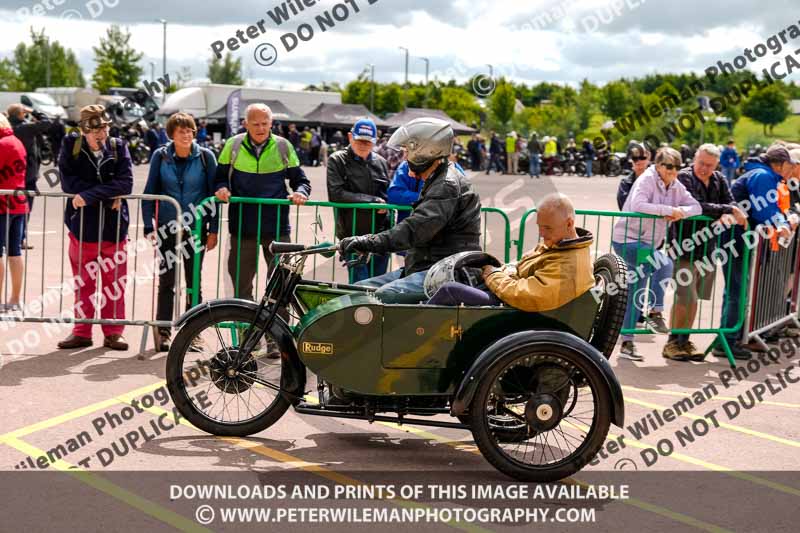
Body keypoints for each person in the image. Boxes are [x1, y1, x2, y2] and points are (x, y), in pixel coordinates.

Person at [339, 117, 482, 303]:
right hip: (430, 268)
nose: (405, 157)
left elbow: (414, 230)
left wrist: (368, 242)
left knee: (378, 299)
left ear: (425, 151)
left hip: (448, 273)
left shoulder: (446, 185)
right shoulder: (437, 178)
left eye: (408, 151)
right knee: (357, 292)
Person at [428, 194, 594, 310]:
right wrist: (500, 270)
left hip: (514, 308)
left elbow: (527, 295)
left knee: (450, 290)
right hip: (510, 297)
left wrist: (494, 275)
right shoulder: (559, 245)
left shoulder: (570, 262)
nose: (542, 234)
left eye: (548, 228)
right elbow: (522, 265)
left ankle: (412, 336)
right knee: (466, 273)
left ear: (569, 223)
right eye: (540, 227)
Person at [612, 147, 701, 361]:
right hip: (628, 241)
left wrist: (681, 213)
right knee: (664, 264)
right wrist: (668, 211)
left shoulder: (675, 186)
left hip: (648, 244)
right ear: (659, 166)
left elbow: (696, 207)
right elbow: (638, 204)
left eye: (677, 167)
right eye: (668, 166)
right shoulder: (647, 179)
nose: (673, 171)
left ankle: (626, 342)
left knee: (636, 291)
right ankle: (655, 312)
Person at [214, 103, 310, 301]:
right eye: (255, 124)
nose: (260, 128)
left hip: (277, 227)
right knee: (241, 288)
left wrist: (301, 192)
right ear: (245, 124)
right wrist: (221, 187)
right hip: (242, 226)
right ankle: (245, 331)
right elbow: (219, 177)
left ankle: (277, 331)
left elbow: (300, 180)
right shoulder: (232, 145)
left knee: (281, 287)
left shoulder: (284, 146)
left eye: (265, 124)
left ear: (271, 123)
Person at [56, 105, 133, 351]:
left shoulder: (119, 146)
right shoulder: (71, 145)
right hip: (82, 227)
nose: (101, 133)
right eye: (95, 129)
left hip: (114, 228)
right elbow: (68, 182)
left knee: (114, 284)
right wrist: (109, 192)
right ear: (83, 130)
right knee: (84, 283)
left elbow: (126, 183)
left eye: (105, 127)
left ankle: (113, 332)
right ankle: (81, 331)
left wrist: (89, 195)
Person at [142, 112, 220, 352]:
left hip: (196, 228)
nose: (186, 135)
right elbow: (149, 191)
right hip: (168, 227)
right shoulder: (160, 156)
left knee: (193, 283)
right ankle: (163, 331)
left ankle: (192, 333)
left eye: (190, 130)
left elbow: (214, 196)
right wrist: (148, 225)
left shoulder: (206, 157)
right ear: (171, 134)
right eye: (181, 131)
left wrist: (213, 229)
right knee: (166, 282)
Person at [664, 144, 747, 361]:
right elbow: (695, 206)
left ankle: (684, 340)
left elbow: (731, 202)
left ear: (716, 164)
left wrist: (728, 209)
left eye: (709, 165)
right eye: (701, 163)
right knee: (685, 296)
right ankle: (672, 342)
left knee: (696, 298)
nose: (704, 168)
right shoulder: (684, 177)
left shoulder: (719, 179)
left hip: (708, 248)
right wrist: (726, 211)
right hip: (683, 246)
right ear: (695, 159)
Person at [724, 144, 798, 358]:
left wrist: (780, 222)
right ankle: (728, 341)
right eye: (789, 165)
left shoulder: (765, 175)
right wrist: (781, 224)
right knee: (736, 292)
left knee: (739, 290)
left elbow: (770, 208)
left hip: (742, 239)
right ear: (781, 164)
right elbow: (764, 208)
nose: (790, 170)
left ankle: (736, 337)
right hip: (735, 239)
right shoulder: (763, 176)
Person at [327, 119, 391, 284]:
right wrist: (373, 201)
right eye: (359, 140)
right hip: (353, 235)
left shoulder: (382, 162)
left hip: (380, 236)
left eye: (368, 141)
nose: (363, 144)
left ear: (375, 141)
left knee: (378, 286)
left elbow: (388, 195)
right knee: (359, 287)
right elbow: (336, 194)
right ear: (350, 137)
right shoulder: (337, 160)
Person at [7, 104, 51, 250]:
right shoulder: (25, 128)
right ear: (21, 114)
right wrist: (33, 111)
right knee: (24, 209)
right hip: (27, 177)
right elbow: (47, 122)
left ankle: (10, 239)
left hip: (9, 177)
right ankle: (19, 239)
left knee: (7, 210)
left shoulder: (7, 129)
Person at [0, 113, 28, 312]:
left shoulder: (3, 144)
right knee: (14, 252)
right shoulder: (16, 141)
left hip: (2, 205)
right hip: (18, 203)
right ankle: (15, 299)